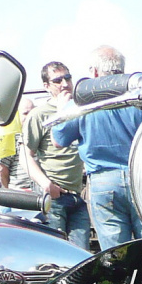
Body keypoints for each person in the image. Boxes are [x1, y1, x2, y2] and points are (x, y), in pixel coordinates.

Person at [53, 45, 142, 250]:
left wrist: (61, 110)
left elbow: (59, 139)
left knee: (116, 255)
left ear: (94, 72)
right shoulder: (141, 95)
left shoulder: (82, 101)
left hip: (104, 182)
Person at [24, 61, 90, 249]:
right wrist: (46, 184)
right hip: (53, 198)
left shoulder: (81, 109)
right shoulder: (39, 115)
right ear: (46, 86)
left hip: (77, 196)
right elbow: (26, 156)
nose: (65, 84)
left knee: (82, 254)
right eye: (57, 80)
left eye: (68, 78)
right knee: (56, 253)